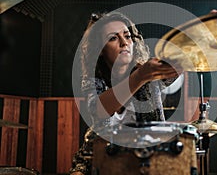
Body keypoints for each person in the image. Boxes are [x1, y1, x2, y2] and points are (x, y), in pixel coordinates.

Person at [69, 11, 182, 175]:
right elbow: (98, 110)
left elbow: (185, 61)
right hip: (99, 157)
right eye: (113, 38)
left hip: (145, 159)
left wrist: (209, 29)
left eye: (127, 36)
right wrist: (140, 77)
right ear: (100, 49)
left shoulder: (150, 74)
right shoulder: (92, 80)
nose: (124, 43)